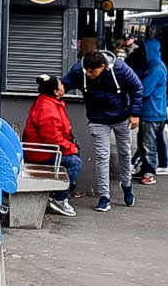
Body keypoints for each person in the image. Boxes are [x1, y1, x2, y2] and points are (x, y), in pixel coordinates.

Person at [62, 49, 144, 211]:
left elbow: (137, 87)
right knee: (102, 156)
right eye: (87, 71)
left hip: (121, 116)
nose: (89, 74)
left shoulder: (120, 68)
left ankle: (127, 185)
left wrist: (135, 113)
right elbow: (65, 84)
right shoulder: (79, 70)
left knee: (125, 152)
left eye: (93, 71)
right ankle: (104, 196)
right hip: (97, 119)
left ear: (102, 66)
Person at [22, 74, 83, 216]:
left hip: (41, 150)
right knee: (74, 162)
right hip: (41, 153)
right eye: (60, 84)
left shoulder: (49, 102)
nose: (63, 86)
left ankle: (61, 193)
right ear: (56, 91)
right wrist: (72, 148)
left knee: (73, 157)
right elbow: (53, 139)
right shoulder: (48, 109)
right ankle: (60, 199)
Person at [132, 39, 168, 179]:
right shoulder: (158, 65)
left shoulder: (155, 69)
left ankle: (149, 173)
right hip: (156, 110)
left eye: (144, 51)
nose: (142, 54)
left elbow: (144, 90)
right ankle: (145, 169)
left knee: (148, 144)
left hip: (152, 111)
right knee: (147, 142)